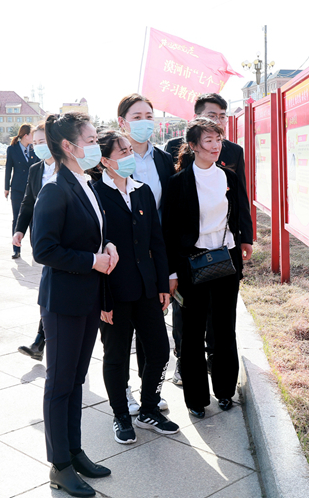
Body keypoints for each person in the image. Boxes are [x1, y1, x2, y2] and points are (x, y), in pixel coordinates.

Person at [32, 112, 119, 497]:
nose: (97, 146)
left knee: (76, 380)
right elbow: (43, 249)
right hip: (63, 301)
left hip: (87, 297)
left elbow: (92, 233)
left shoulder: (86, 182)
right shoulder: (54, 189)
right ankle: (60, 466)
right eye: (91, 140)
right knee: (60, 384)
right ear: (68, 146)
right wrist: (91, 261)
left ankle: (74, 452)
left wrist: (107, 246)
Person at [92, 130, 179, 444]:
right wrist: (101, 299)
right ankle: (120, 414)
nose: (131, 156)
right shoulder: (94, 194)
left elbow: (156, 240)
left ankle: (149, 409)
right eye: (123, 152)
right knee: (116, 357)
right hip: (113, 292)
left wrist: (162, 283)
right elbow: (94, 246)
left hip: (146, 288)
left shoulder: (142, 191)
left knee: (159, 350)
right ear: (105, 161)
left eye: (131, 149)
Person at [165, 93, 253, 385]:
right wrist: (172, 268)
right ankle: (192, 382)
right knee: (190, 323)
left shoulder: (231, 166)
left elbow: (240, 203)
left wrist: (246, 238)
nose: (216, 144)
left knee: (224, 324)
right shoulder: (177, 171)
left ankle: (223, 381)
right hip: (191, 257)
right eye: (209, 139)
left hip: (225, 254)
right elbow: (172, 222)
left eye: (219, 138)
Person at [116, 93, 175, 414]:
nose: (144, 122)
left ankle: (149, 389)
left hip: (153, 258)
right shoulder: (109, 159)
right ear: (122, 122)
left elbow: (169, 214)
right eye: (136, 117)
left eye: (149, 116)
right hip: (120, 260)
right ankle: (122, 391)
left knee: (151, 332)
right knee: (119, 334)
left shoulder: (164, 160)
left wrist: (169, 269)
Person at [13, 121, 56, 361]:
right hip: (43, 238)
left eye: (44, 142)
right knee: (49, 288)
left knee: (49, 289)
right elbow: (27, 202)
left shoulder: (69, 167)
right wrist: (19, 230)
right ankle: (42, 341)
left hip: (66, 238)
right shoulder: (35, 169)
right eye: (36, 142)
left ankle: (41, 340)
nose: (39, 146)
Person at [4, 123, 39, 259]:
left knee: (33, 220)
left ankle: (35, 248)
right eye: (32, 134)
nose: (34, 137)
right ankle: (16, 249)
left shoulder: (35, 149)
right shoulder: (12, 149)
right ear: (25, 135)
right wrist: (6, 187)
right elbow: (8, 168)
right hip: (17, 189)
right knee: (17, 218)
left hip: (33, 189)